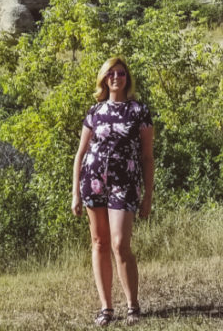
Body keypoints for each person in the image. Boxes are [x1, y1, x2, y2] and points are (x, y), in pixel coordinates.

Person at [72, 56, 154, 327]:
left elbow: (147, 157)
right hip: (93, 183)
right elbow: (81, 153)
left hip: (125, 185)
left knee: (120, 244)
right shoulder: (95, 112)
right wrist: (75, 193)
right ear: (104, 79)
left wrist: (148, 196)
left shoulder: (139, 111)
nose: (116, 77)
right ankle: (106, 307)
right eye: (111, 74)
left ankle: (133, 305)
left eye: (121, 73)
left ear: (127, 78)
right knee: (99, 243)